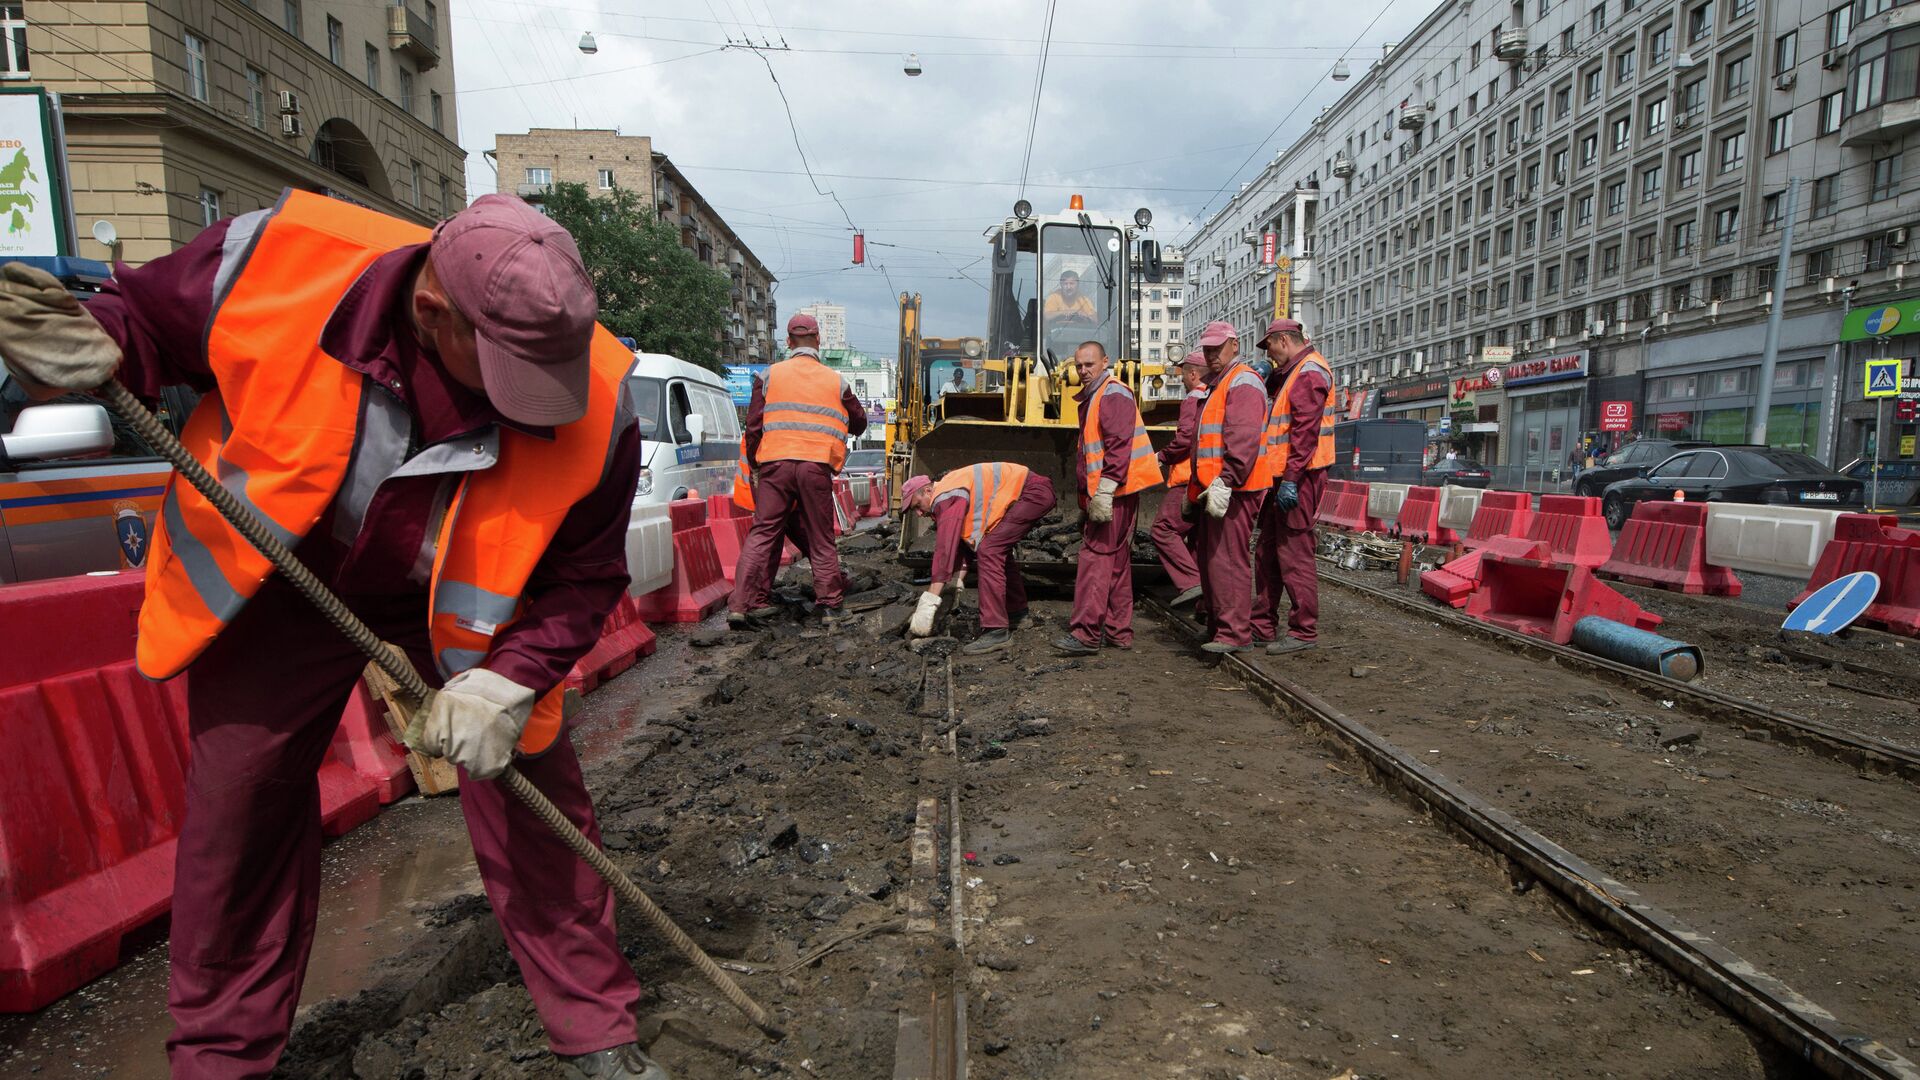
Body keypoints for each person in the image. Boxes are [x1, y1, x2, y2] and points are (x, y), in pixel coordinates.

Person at [0, 193, 667, 1078]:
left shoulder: (601, 397)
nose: (539, 400)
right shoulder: (274, 259)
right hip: (283, 573)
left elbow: (585, 573)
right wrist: (97, 338)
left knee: (532, 790)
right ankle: (222, 1058)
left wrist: (510, 680)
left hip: (464, 599)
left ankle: (594, 1028)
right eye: (509, 369)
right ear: (432, 312)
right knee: (240, 810)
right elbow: (148, 323)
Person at [728, 314, 867, 628]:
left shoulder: (769, 376)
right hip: (815, 466)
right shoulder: (836, 381)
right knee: (820, 537)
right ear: (818, 341)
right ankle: (831, 604)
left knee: (762, 533)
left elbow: (753, 427)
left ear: (788, 343)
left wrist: (756, 465)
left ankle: (740, 605)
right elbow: (859, 420)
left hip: (775, 466)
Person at [1055, 341, 1162, 654]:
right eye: (1079, 366)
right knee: (1115, 562)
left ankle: (1086, 634)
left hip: (1114, 492)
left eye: (1089, 364)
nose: (1084, 371)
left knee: (1095, 560)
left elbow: (1118, 446)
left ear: (1105, 362)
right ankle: (1118, 631)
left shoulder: (1112, 393)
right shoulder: (1097, 396)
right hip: (1116, 491)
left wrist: (1104, 490)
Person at [899, 463, 1055, 654]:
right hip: (1033, 491)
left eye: (917, 505)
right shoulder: (949, 492)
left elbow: (945, 549)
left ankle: (996, 630)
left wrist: (930, 600)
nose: (919, 513)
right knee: (994, 549)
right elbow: (965, 545)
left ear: (928, 490)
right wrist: (956, 582)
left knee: (990, 550)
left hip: (1033, 492)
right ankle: (1017, 613)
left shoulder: (945, 496)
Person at [1250, 318, 1334, 655]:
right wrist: (1265, 379)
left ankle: (1303, 631)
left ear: (1283, 340)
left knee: (1294, 554)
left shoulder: (1310, 372)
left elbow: (1304, 433)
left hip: (1299, 476)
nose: (1268, 353)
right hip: (1283, 476)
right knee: (1267, 551)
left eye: (1268, 346)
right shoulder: (1295, 372)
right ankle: (1262, 625)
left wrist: (1292, 480)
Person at [1188, 321, 1273, 654]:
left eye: (1217, 349)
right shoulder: (1219, 384)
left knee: (1228, 560)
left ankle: (1235, 633)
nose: (1211, 355)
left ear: (1234, 346)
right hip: (1219, 486)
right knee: (1214, 559)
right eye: (1207, 349)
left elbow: (1243, 438)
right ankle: (1220, 627)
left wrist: (1227, 480)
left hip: (1237, 487)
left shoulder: (1243, 382)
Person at [1150, 349, 1207, 607]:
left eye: (1184, 375)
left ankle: (1190, 583)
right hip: (1208, 479)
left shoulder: (1193, 397)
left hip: (1187, 479)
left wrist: (1161, 457)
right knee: (1197, 542)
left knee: (1163, 529)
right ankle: (1206, 604)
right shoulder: (1214, 396)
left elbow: (1184, 439)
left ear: (1193, 374)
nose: (1183, 380)